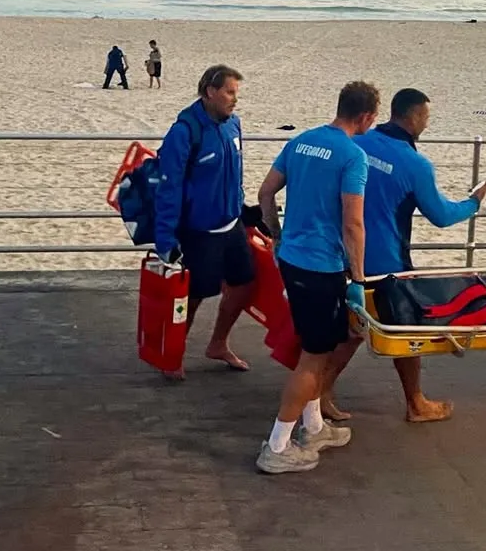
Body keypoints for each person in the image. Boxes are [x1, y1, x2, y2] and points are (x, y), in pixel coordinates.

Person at [321, 88, 486, 423]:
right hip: (385, 262)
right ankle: (415, 403)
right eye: (426, 117)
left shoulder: (356, 142)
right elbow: (441, 215)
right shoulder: (415, 164)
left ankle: (320, 393)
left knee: (351, 329)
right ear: (413, 118)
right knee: (407, 331)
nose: (427, 123)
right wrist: (473, 203)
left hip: (338, 253)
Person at [255, 81, 380, 475]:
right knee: (314, 359)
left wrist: (276, 234)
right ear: (365, 117)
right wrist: (358, 276)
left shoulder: (302, 142)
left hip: (291, 258)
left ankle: (314, 428)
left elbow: (265, 193)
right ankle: (276, 446)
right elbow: (353, 222)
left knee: (313, 344)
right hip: (321, 267)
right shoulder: (353, 157)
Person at [153, 64, 255, 379]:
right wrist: (166, 242)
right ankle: (172, 354)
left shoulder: (233, 125)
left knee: (243, 284)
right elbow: (168, 189)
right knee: (193, 298)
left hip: (231, 224)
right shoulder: (184, 132)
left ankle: (218, 344)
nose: (234, 100)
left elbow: (234, 175)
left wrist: (244, 209)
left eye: (236, 93)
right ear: (210, 92)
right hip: (199, 231)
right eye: (229, 92)